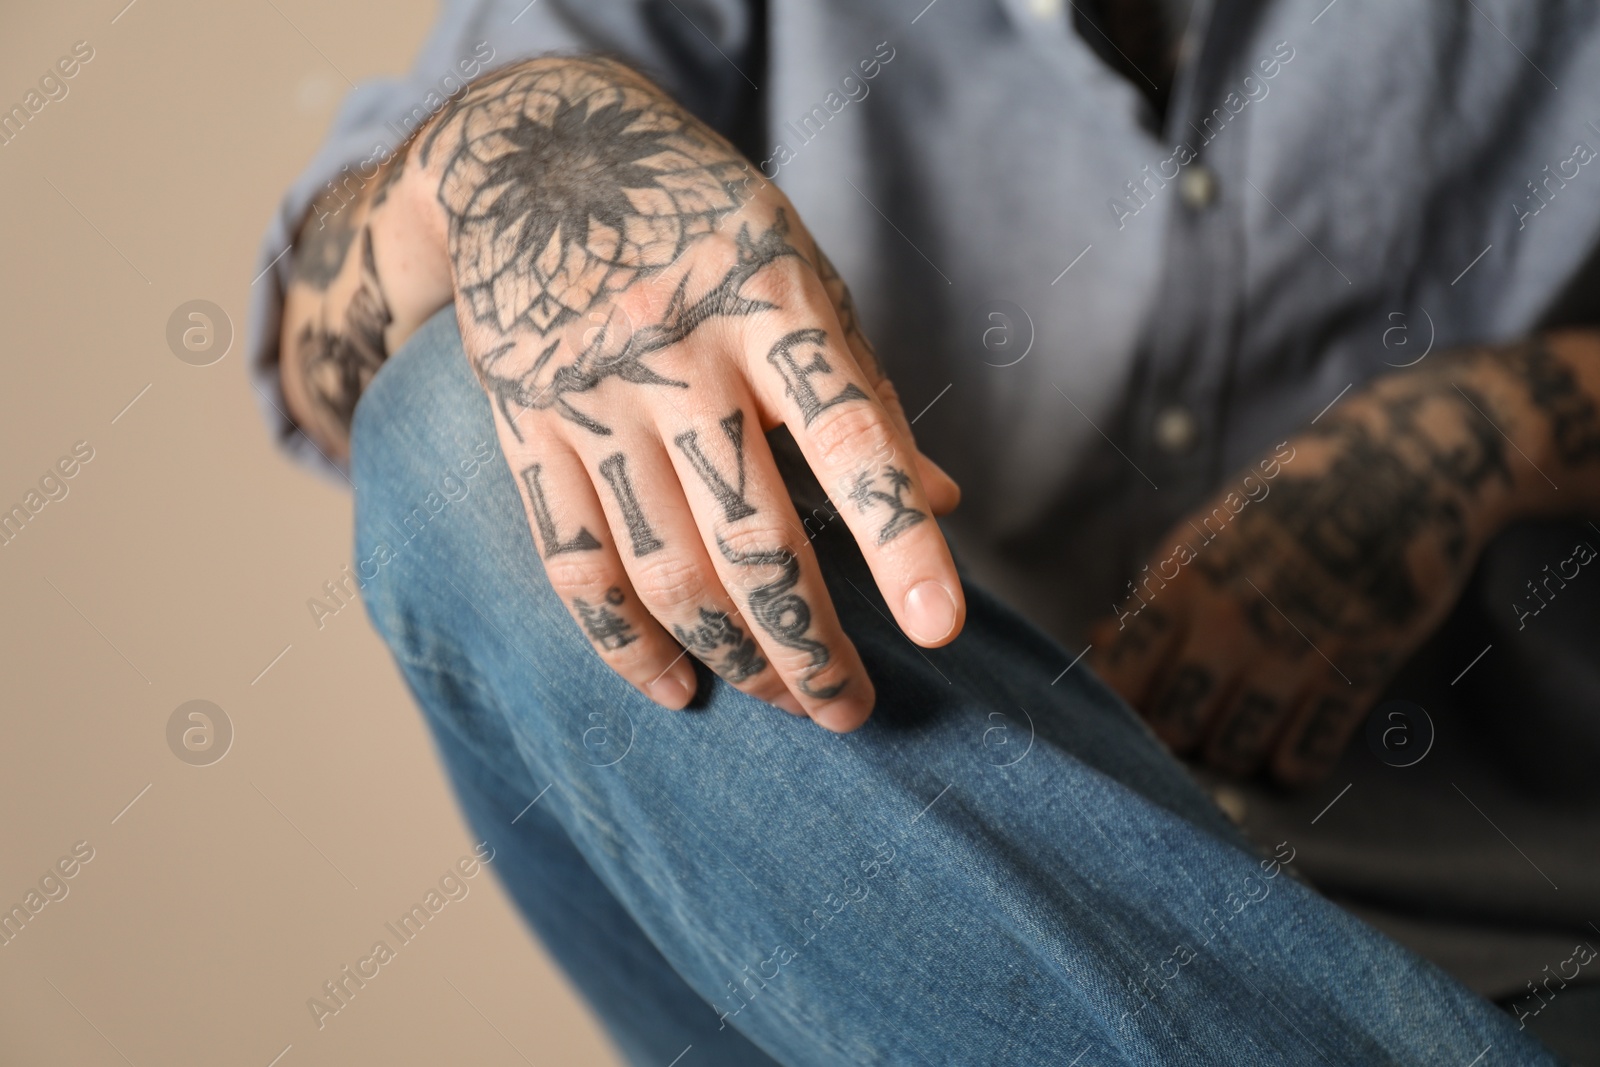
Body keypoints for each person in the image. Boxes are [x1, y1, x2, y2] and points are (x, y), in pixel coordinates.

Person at [250, 1, 1600, 1061]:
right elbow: (319, 360)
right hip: (862, 980)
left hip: (1508, 958)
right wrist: (505, 156)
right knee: (453, 429)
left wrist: (1507, 428)